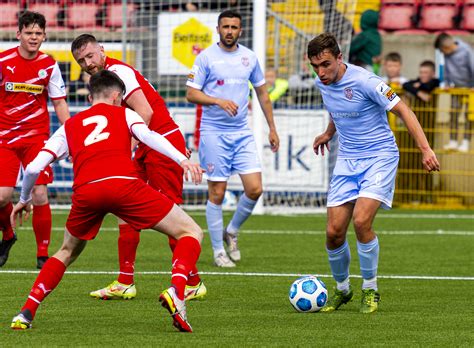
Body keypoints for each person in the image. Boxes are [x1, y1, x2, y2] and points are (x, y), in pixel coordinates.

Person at [10, 70, 204, 332]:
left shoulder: (69, 126)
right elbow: (150, 137)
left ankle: (26, 312)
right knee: (190, 230)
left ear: (90, 97)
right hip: (124, 185)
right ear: (117, 97)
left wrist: (23, 199)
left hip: (87, 192)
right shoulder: (125, 113)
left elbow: (33, 168)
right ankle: (178, 292)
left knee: (66, 251)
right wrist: (182, 158)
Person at [308, 33, 440, 313]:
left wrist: (425, 149)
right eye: (315, 66)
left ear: (339, 58)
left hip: (380, 157)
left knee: (361, 221)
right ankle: (343, 290)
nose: (321, 72)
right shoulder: (323, 83)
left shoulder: (367, 82)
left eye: (326, 65)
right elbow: (337, 109)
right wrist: (328, 133)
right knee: (333, 232)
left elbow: (403, 110)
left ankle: (370, 289)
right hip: (347, 160)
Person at [71, 34, 206, 300]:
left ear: (102, 49)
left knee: (173, 214)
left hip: (160, 142)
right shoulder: (102, 80)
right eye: (81, 60)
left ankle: (193, 283)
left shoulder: (119, 71)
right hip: (145, 145)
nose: (88, 63)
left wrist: (126, 147)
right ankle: (125, 281)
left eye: (90, 55)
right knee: (125, 210)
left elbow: (145, 112)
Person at [186, 10, 279, 267]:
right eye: (225, 26)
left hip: (242, 133)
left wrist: (272, 128)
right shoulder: (206, 58)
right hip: (213, 133)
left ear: (241, 30)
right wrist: (217, 100)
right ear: (218, 29)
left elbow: (262, 93)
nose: (229, 31)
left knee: (255, 189)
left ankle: (232, 230)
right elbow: (191, 94)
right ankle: (218, 251)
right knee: (217, 191)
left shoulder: (249, 57)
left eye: (234, 27)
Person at [0, 11, 70, 269]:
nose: (33, 37)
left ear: (44, 36)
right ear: (18, 34)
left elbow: (59, 102)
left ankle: (43, 255)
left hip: (36, 138)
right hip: (4, 139)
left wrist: (72, 136)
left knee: (40, 194)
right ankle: (8, 235)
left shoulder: (49, 65)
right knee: (1, 198)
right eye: (28, 33)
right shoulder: (3, 61)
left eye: (38, 33)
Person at [398, 60, 440, 203]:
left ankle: (427, 196)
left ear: (432, 73)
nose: (422, 75)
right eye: (421, 72)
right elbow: (405, 85)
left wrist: (418, 87)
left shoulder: (435, 82)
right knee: (413, 163)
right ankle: (413, 195)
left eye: (426, 73)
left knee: (430, 163)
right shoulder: (417, 83)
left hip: (429, 130)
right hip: (416, 130)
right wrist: (419, 92)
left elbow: (429, 86)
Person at [434, 32, 474, 153]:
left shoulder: (466, 51)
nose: (443, 53)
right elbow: (445, 68)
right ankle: (453, 141)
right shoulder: (447, 55)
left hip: (469, 89)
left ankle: (466, 142)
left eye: (442, 51)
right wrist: (446, 82)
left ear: (446, 48)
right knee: (454, 114)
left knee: (469, 116)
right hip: (456, 88)